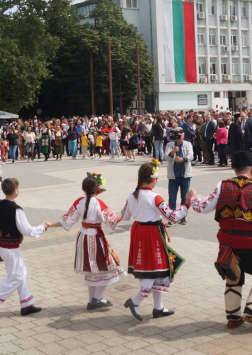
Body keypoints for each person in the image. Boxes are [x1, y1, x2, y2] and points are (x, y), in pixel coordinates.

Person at [187, 150, 252, 328]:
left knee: (233, 275)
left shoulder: (223, 185)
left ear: (234, 169)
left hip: (226, 241)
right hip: (251, 241)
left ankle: (233, 318)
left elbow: (204, 207)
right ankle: (251, 311)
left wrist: (192, 198)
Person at [115, 160, 187, 321]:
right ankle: (134, 301)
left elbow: (126, 216)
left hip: (139, 232)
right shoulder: (155, 197)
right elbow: (173, 217)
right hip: (151, 235)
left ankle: (158, 307)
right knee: (153, 268)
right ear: (152, 179)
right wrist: (187, 204)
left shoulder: (132, 195)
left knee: (157, 270)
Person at [49, 173, 126, 310]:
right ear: (98, 189)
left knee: (92, 270)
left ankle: (92, 300)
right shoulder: (99, 203)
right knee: (108, 267)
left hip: (83, 237)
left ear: (84, 189)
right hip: (95, 238)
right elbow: (112, 221)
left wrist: (49, 224)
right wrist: (125, 212)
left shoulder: (79, 202)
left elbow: (66, 220)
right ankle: (96, 298)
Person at [0, 178, 47, 317]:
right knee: (17, 277)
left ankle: (26, 304)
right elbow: (27, 230)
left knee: (21, 273)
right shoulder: (16, 209)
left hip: (2, 247)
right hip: (11, 248)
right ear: (16, 190)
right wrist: (43, 227)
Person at [165, 129, 194, 226]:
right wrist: (173, 152)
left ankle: (182, 217)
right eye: (177, 133)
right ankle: (172, 217)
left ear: (184, 134)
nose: (179, 135)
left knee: (184, 197)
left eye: (181, 133)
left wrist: (182, 159)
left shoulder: (188, 144)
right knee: (172, 198)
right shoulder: (170, 145)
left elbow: (191, 156)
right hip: (173, 176)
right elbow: (166, 157)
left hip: (185, 175)